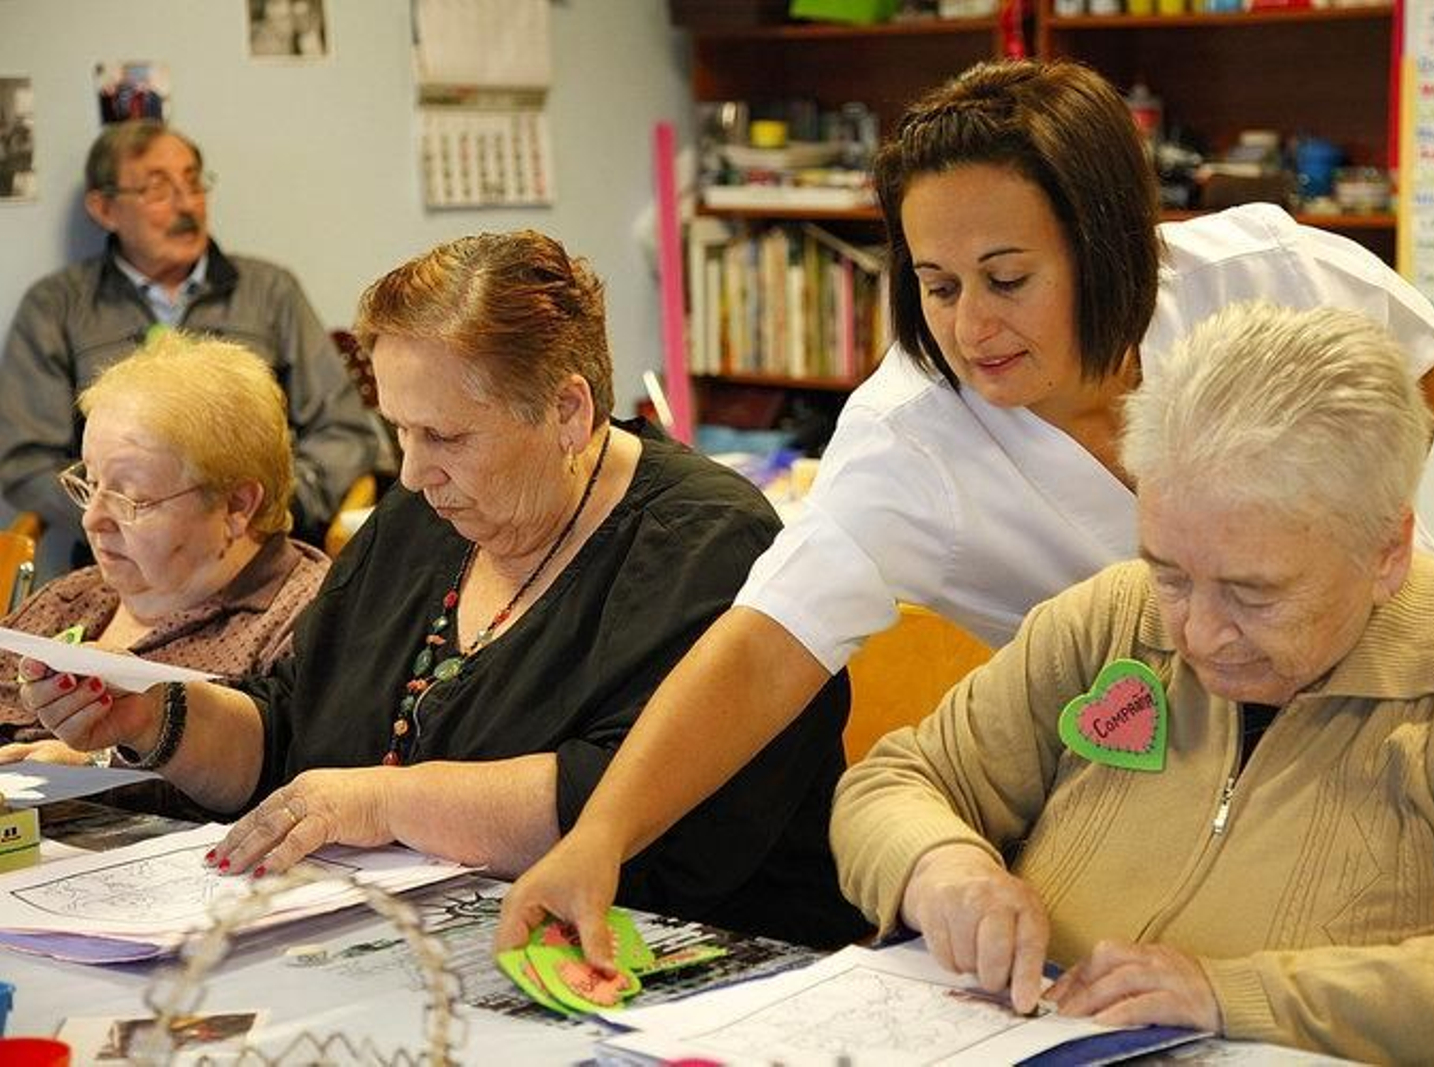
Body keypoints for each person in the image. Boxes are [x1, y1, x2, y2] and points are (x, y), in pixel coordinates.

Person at [494, 58, 1434, 958]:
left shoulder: (1258, 278)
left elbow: (1419, 356)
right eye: (937, 285)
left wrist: (1341, 549)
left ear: (1108, 243)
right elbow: (765, 647)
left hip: (1394, 705)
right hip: (1151, 775)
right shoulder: (911, 439)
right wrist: (602, 839)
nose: (971, 327)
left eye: (1008, 278)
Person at [16, 229, 868, 949]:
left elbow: (632, 805)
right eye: (398, 430)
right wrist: (152, 716)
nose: (415, 472)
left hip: (684, 967)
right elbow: (287, 731)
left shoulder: (705, 544)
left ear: (569, 412)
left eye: (445, 435)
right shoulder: (427, 517)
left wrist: (379, 799)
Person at [830, 302, 1434, 1063]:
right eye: (1171, 573)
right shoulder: (1111, 619)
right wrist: (942, 869)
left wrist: (1237, 994)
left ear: (1387, 549)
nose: (1195, 633)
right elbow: (896, 781)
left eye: (1253, 593)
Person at [0, 119, 375, 555]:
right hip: (124, 561)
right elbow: (27, 464)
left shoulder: (271, 290)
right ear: (104, 208)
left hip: (265, 543)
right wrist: (133, 515)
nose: (187, 205)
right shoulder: (56, 306)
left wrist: (269, 504)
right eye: (157, 190)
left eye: (194, 183)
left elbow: (346, 432)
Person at [0, 332, 330, 765]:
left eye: (130, 499)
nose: (91, 520)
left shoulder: (303, 622)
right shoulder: (71, 599)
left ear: (236, 505)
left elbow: (293, 777)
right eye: (90, 485)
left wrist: (94, 770)